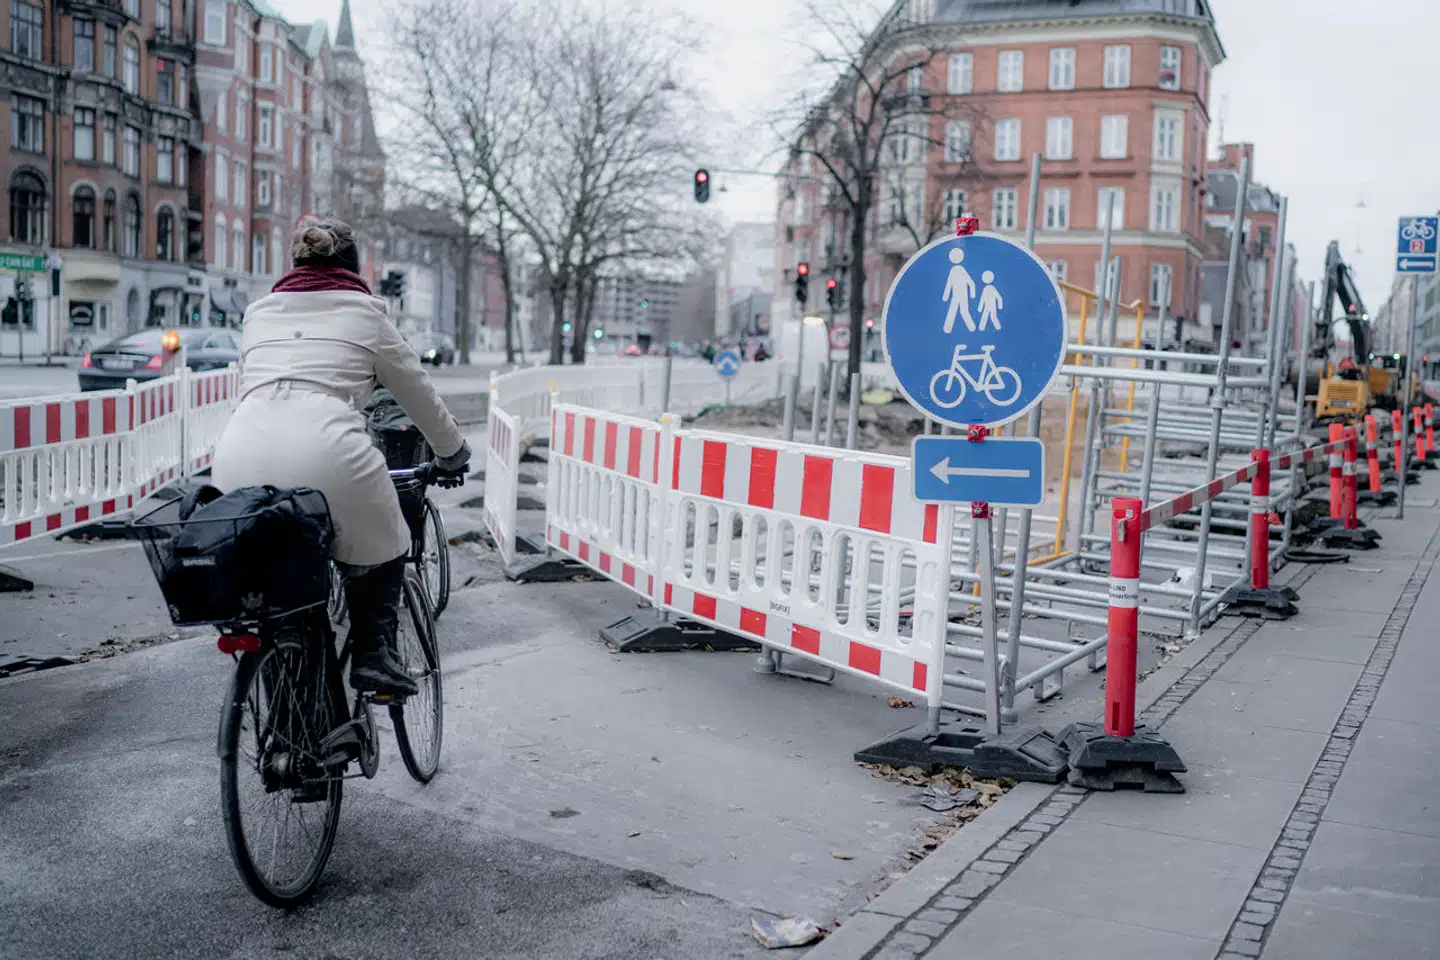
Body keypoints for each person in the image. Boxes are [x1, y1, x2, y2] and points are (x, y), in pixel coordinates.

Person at [212, 217, 470, 698]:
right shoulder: (367, 314)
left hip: (238, 453)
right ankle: (375, 655)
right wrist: (452, 452)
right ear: (352, 268)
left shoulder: (259, 313)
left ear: (294, 267)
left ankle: (278, 665)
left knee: (274, 576)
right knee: (390, 537)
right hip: (329, 449)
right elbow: (417, 394)